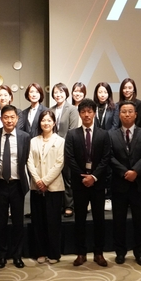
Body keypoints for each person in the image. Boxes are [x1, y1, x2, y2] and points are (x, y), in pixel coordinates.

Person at [64, 99, 112, 267]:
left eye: (89, 112)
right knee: (80, 219)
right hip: (79, 184)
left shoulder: (104, 134)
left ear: (94, 113)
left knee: (99, 219)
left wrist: (94, 177)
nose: (86, 115)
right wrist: (83, 177)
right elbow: (69, 158)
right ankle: (81, 253)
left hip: (97, 184)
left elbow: (106, 158)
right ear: (79, 114)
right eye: (83, 112)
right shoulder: (72, 134)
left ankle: (99, 253)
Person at [109, 100, 141, 266]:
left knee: (140, 221)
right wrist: (124, 172)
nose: (127, 114)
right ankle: (120, 252)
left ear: (136, 114)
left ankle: (140, 253)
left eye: (130, 112)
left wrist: (135, 171)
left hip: (138, 183)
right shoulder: (111, 135)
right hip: (119, 183)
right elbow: (109, 157)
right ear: (119, 115)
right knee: (118, 221)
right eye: (124, 112)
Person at [0, 105, 31, 269]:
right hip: (0, 184)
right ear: (1, 119)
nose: (9, 120)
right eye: (6, 117)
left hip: (17, 184)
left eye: (12, 117)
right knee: (0, 222)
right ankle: (1, 255)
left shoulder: (24, 137)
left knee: (18, 222)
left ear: (17, 119)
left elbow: (27, 159)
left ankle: (17, 255)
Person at [27, 110, 65, 264]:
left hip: (54, 187)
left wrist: (46, 181)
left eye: (49, 120)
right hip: (36, 186)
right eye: (43, 120)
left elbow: (59, 163)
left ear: (54, 123)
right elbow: (29, 161)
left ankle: (54, 253)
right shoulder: (33, 141)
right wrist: (38, 180)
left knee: (53, 222)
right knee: (38, 221)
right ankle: (40, 252)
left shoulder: (60, 141)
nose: (46, 123)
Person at [50, 83, 79, 219]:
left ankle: (69, 206)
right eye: (56, 92)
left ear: (66, 93)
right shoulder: (51, 109)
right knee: (55, 177)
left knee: (67, 178)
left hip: (66, 148)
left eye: (61, 92)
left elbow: (72, 130)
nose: (58, 95)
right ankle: (58, 205)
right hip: (52, 149)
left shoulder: (72, 109)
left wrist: (62, 145)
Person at [94, 81, 117, 211]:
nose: (102, 94)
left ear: (109, 93)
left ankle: (108, 197)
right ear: (96, 93)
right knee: (96, 169)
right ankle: (97, 196)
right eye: (100, 92)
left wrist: (104, 138)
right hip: (95, 143)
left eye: (105, 92)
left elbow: (115, 126)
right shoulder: (93, 107)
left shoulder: (114, 107)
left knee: (109, 170)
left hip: (109, 142)